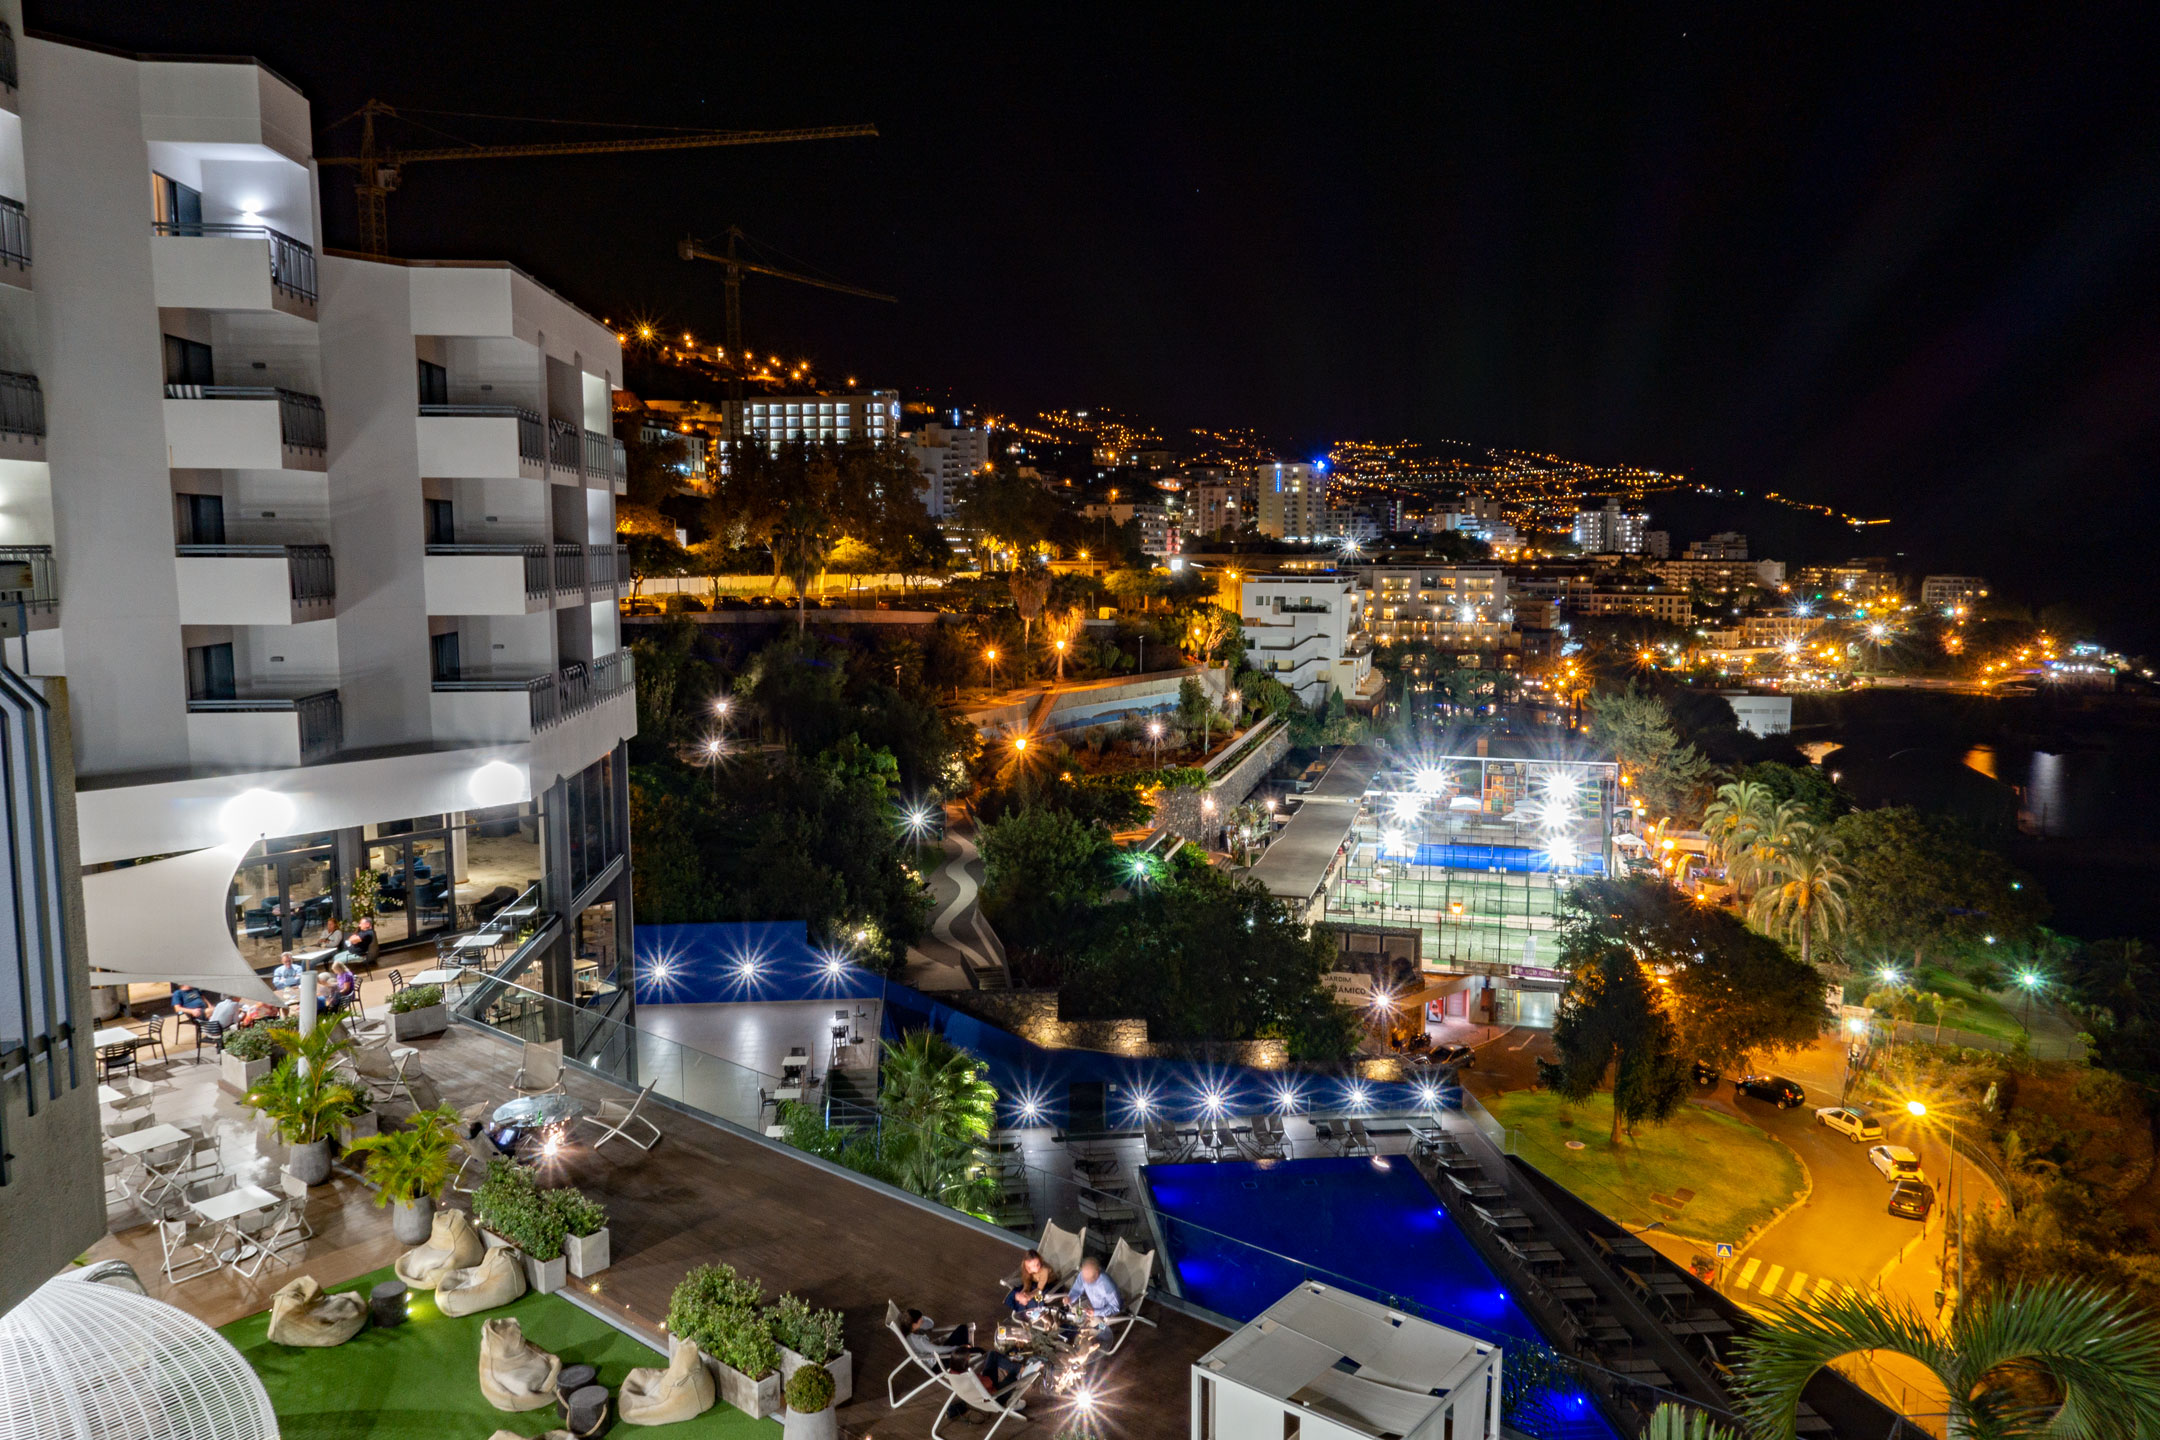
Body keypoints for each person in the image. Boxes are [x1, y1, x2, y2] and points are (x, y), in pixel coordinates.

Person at [1064, 1256, 1121, 1335]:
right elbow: (1077, 1290)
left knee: (1096, 1328)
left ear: (1097, 1273)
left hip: (1106, 1313)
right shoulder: (1083, 1274)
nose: (1085, 1281)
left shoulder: (1107, 1285)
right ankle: (1079, 1332)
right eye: (1084, 1278)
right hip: (1092, 1304)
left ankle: (1101, 1332)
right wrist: (1070, 1298)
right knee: (1076, 1311)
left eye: (1088, 1279)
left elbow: (1115, 1308)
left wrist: (1095, 1312)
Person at [1006, 1250, 1054, 1314]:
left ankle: (1033, 1313)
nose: (1037, 1267)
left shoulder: (1044, 1270)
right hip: (1033, 1283)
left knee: (1037, 1299)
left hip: (1046, 1285)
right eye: (1033, 1266)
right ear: (1027, 1266)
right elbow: (1027, 1282)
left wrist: (1029, 1296)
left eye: (1038, 1264)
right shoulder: (1025, 1267)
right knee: (1015, 1292)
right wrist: (1023, 1293)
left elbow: (1039, 1289)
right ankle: (1022, 1311)